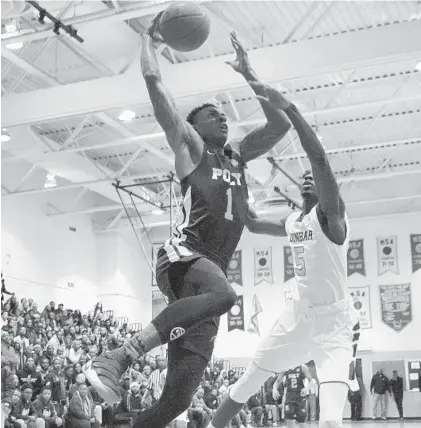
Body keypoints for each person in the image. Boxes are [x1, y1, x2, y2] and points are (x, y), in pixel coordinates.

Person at [83, 16, 291, 428]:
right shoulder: (191, 146)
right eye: (213, 115)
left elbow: (281, 125)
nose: (223, 119)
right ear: (194, 127)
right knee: (227, 294)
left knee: (176, 401)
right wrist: (149, 41)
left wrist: (251, 74)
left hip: (208, 281)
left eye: (223, 116)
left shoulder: (237, 158)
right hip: (184, 258)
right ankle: (120, 355)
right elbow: (155, 83)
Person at [206, 79, 360, 428]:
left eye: (315, 180)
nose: (309, 180)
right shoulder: (294, 221)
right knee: (246, 383)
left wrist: (289, 109)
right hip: (297, 317)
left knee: (332, 421)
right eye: (303, 178)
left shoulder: (333, 220)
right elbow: (254, 223)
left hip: (335, 324)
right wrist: (234, 175)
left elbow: (318, 159)